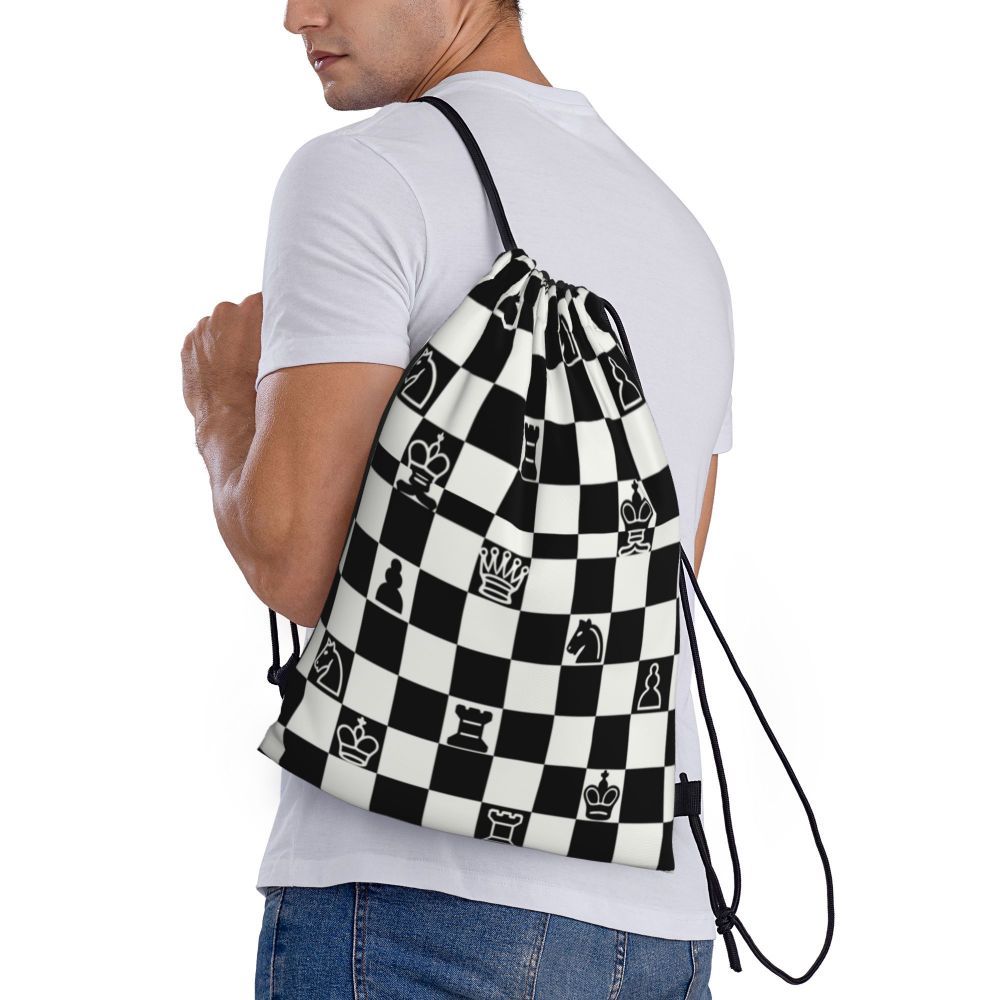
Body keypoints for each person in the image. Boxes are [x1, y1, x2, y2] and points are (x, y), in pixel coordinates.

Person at [181, 1, 734, 996]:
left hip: (416, 908)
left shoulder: (366, 173)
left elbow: (294, 564)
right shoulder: (678, 231)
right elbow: (661, 580)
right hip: (662, 927)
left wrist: (222, 403)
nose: (296, 15)